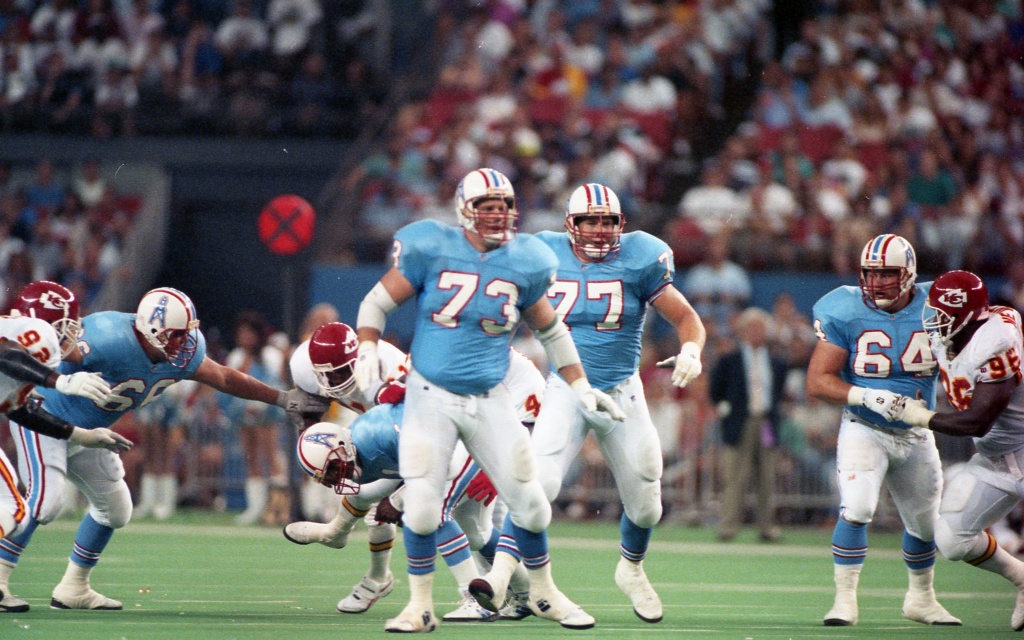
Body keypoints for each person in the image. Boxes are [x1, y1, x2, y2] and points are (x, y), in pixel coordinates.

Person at [352, 168, 625, 632]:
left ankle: (543, 592)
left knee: (532, 504)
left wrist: (580, 386)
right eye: (487, 207)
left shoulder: (526, 259)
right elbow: (375, 302)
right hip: (431, 396)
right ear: (465, 209)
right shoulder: (431, 247)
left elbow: (552, 329)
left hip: (490, 397)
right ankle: (419, 604)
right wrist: (367, 345)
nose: (497, 215)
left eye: (503, 206)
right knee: (420, 506)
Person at [0, 287, 329, 612]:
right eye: (174, 335)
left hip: (90, 431)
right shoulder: (106, 335)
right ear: (151, 329)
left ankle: (74, 587)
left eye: (186, 333)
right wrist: (54, 377)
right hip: (44, 417)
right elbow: (38, 352)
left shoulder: (184, 348)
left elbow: (223, 377)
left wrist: (283, 399)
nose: (182, 342)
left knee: (115, 509)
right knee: (46, 502)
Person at [517, 182, 705, 624]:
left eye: (607, 221)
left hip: (622, 389)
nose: (600, 230)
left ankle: (631, 567)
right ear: (571, 224)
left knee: (646, 502)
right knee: (538, 487)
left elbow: (685, 316)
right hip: (565, 387)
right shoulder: (543, 254)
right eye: (590, 220)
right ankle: (535, 586)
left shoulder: (641, 257)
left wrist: (693, 348)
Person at [283, 322, 546, 621]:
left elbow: (440, 460)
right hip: (463, 421)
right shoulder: (371, 423)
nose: (334, 381)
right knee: (475, 529)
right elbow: (373, 486)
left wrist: (398, 500)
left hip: (503, 413)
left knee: (435, 509)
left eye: (332, 470)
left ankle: (474, 597)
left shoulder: (383, 421)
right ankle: (527, 594)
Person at [806, 234, 960, 627]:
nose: (875, 284)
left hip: (916, 432)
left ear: (908, 273)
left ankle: (922, 598)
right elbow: (818, 381)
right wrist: (866, 397)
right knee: (857, 507)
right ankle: (844, 600)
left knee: (925, 525)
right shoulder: (844, 307)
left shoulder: (936, 304)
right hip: (865, 427)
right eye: (869, 274)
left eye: (887, 274)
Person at [893, 271, 1024, 631]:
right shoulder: (953, 336)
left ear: (966, 314)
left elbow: (977, 421)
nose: (934, 320)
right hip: (994, 459)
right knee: (951, 539)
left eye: (942, 313)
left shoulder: (996, 343)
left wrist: (921, 416)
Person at [0, 281, 133, 612]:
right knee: (14, 509)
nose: (71, 332)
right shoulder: (34, 333)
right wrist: (60, 380)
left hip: (50, 413)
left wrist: (80, 436)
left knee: (14, 508)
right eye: (67, 324)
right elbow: (6, 355)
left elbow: (19, 410)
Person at [709, 306, 787, 543]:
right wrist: (726, 411)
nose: (756, 333)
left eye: (761, 328)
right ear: (743, 331)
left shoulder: (776, 362)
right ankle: (728, 525)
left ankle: (767, 526)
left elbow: (778, 392)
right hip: (739, 422)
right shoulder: (729, 360)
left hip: (765, 421)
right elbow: (716, 391)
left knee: (767, 476)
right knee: (735, 476)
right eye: (752, 328)